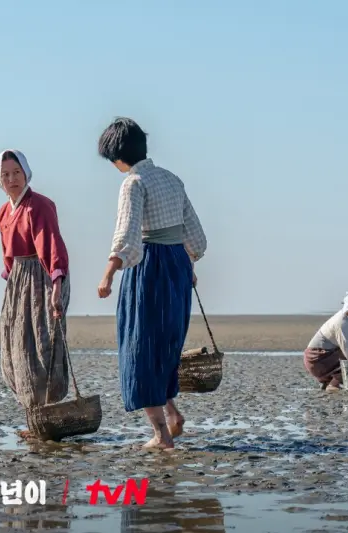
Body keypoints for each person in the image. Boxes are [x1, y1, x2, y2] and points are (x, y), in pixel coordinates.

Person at [96, 117, 208, 450]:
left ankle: (161, 436)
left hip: (149, 268)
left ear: (118, 157)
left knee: (140, 349)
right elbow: (195, 235)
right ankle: (171, 417)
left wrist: (108, 273)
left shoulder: (134, 183)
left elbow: (128, 235)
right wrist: (188, 263)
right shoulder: (172, 179)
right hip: (175, 266)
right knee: (164, 348)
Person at [0, 149, 71, 435]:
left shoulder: (39, 205)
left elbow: (50, 243)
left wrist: (56, 286)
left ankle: (48, 415)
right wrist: (11, 280)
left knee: (43, 344)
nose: (11, 179)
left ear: (26, 172)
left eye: (16, 172)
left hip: (44, 278)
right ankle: (33, 416)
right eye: (5, 175)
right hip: (19, 282)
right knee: (17, 347)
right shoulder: (3, 212)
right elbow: (7, 255)